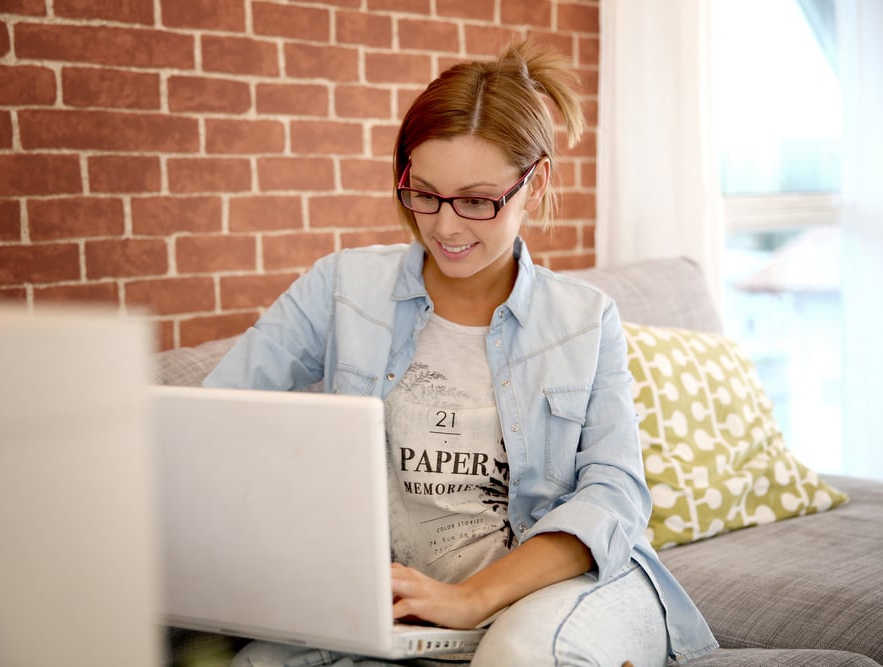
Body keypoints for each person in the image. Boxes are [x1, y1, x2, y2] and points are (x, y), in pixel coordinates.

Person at [204, 39, 717, 667]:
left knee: (518, 656)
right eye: (424, 193)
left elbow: (614, 496)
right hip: (408, 604)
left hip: (553, 589)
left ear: (536, 183)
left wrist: (471, 598)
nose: (446, 227)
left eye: (478, 200)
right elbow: (215, 416)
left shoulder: (585, 320)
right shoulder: (340, 289)